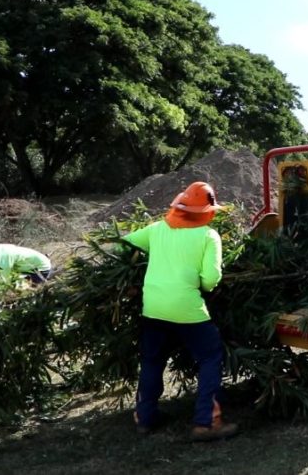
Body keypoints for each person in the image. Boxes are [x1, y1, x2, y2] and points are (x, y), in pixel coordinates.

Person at [122, 181, 238, 442]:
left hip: (152, 306)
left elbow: (125, 242)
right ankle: (207, 422)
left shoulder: (156, 229)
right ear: (206, 212)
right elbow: (210, 279)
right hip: (187, 309)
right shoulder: (209, 236)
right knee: (210, 356)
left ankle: (145, 418)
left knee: (152, 360)